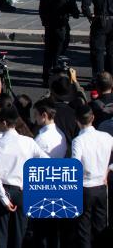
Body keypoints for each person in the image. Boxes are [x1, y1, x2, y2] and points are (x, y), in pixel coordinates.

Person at [0, 105, 47, 248]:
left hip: (4, 191)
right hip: (23, 191)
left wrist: (3, 198)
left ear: (4, 123)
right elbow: (46, 161)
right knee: (19, 235)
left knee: (0, 235)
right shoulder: (29, 142)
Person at [70, 104, 113, 248]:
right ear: (93, 118)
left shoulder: (78, 141)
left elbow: (75, 165)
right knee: (101, 226)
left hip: (85, 188)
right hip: (101, 187)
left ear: (77, 120)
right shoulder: (106, 137)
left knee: (83, 228)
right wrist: (109, 169)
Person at [39, 0, 81, 85]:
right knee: (58, 52)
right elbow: (75, 13)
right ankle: (56, 75)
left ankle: (46, 77)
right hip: (61, 26)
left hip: (49, 25)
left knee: (48, 52)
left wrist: (44, 21)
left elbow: (41, 7)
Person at [82, 0, 113, 77]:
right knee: (111, 51)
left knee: (98, 51)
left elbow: (85, 3)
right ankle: (110, 78)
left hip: (101, 21)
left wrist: (90, 16)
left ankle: (98, 78)